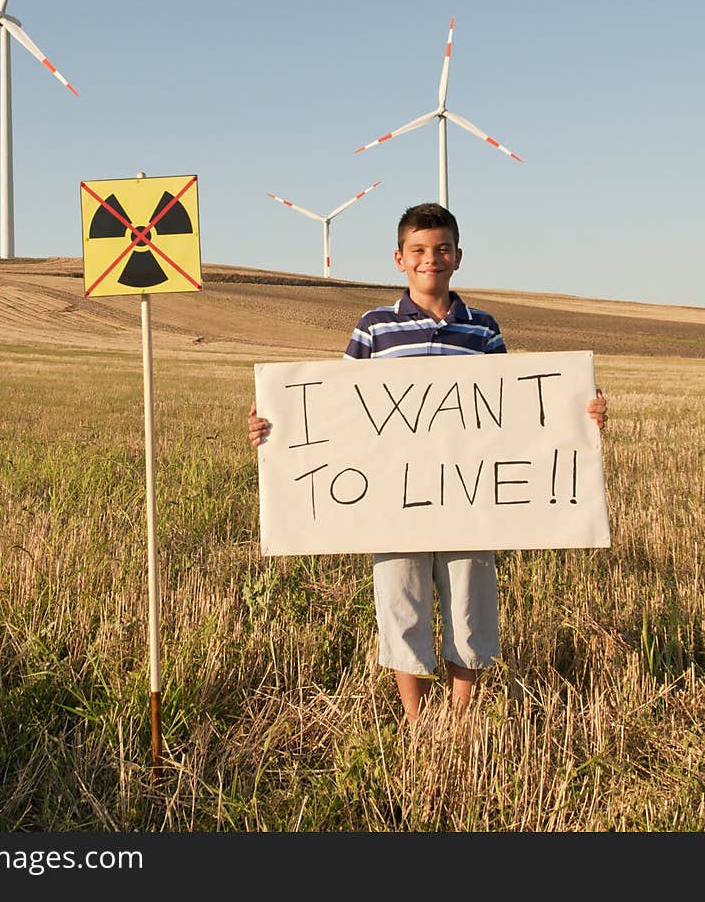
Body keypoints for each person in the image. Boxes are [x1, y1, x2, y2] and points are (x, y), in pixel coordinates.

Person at [247, 201, 608, 725]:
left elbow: (519, 410)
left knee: (470, 601)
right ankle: (415, 718)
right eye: (418, 251)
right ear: (399, 258)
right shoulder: (374, 328)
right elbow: (336, 405)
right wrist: (272, 425)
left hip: (471, 496)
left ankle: (461, 716)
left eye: (441, 250)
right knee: (401, 600)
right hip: (391, 497)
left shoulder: (482, 329)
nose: (430, 260)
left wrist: (585, 412)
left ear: (458, 256)